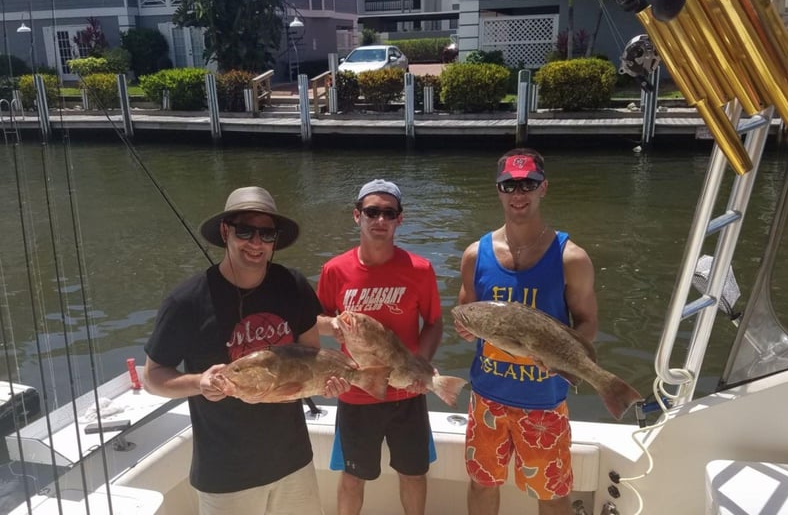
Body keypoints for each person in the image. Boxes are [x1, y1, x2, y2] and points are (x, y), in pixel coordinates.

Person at [143, 186, 345, 515]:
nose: (256, 243)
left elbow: (312, 357)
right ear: (226, 232)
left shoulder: (292, 285)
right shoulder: (187, 301)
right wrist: (198, 384)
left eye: (266, 234)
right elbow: (153, 376)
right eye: (245, 231)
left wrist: (327, 383)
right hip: (226, 473)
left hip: (292, 460)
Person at [455, 149, 599, 515]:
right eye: (509, 185)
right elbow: (465, 313)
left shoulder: (571, 257)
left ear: (543, 188)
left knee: (551, 493)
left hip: (544, 401)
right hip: (487, 396)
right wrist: (465, 331)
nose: (518, 194)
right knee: (482, 484)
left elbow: (587, 322)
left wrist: (565, 357)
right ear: (499, 190)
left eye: (528, 184)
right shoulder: (475, 254)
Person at [316, 179, 443, 515]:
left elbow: (434, 322)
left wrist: (422, 363)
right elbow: (315, 321)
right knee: (353, 476)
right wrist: (330, 327)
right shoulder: (334, 270)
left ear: (400, 219)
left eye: (389, 213)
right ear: (357, 216)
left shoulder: (420, 269)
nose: (380, 220)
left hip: (408, 393)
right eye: (372, 211)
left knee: (414, 473)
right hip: (357, 393)